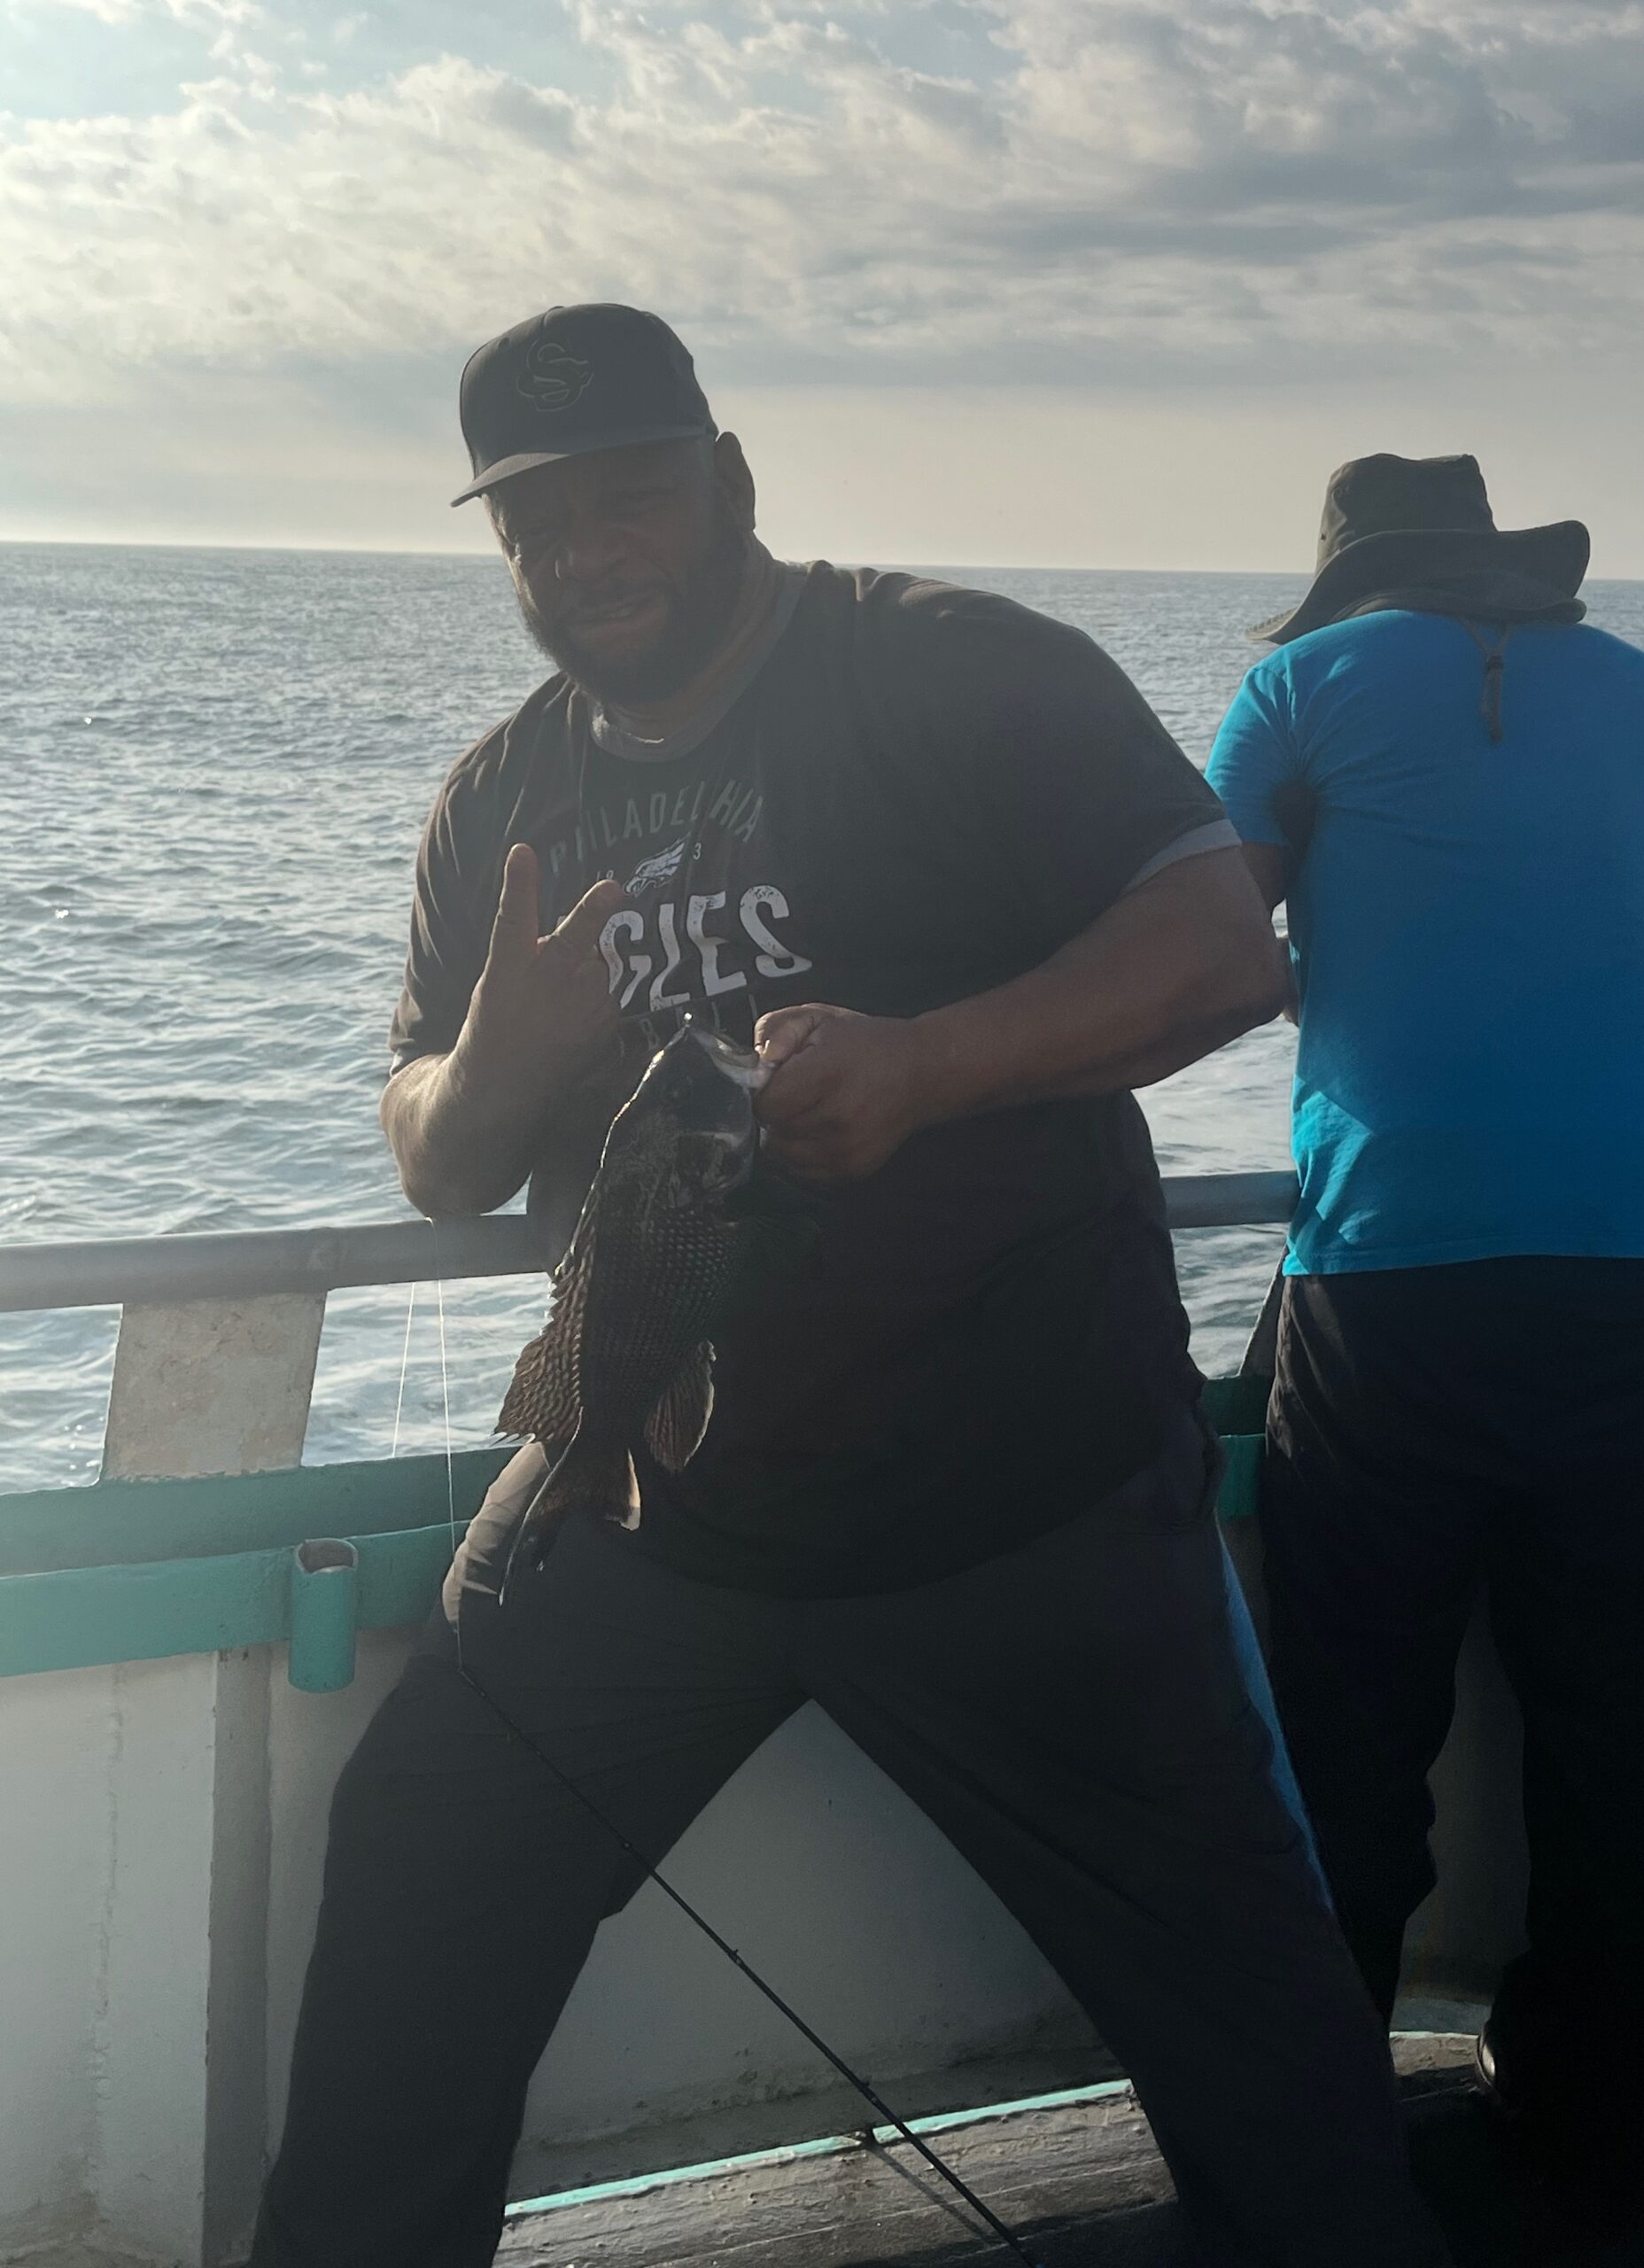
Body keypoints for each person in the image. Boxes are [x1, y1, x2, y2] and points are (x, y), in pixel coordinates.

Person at [252, 308, 1449, 2268]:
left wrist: (924, 1065)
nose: (585, 550)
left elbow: (1223, 944)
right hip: (657, 1504)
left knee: (1266, 2043)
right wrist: (499, 1059)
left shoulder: (955, 670)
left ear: (729, 478)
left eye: (627, 490)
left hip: (1026, 1509)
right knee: (421, 1856)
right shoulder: (500, 800)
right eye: (536, 519)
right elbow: (438, 1152)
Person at [1206, 452, 1644, 2225]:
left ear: (1349, 579)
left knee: (1351, 1732)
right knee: (1616, 1741)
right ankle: (1594, 2126)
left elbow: (1206, 945)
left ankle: (1324, 2144)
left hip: (1389, 1288)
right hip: (1627, 1278)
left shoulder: (1296, 687)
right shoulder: (1632, 688)